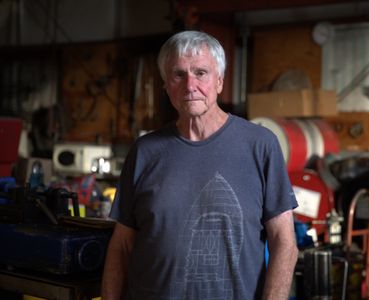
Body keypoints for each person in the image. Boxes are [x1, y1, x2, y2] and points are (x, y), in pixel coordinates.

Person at [101, 30, 299, 300]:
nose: (189, 85)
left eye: (201, 73)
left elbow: (284, 243)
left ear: (220, 81)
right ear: (165, 85)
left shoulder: (260, 145)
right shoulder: (144, 152)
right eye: (178, 74)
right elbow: (121, 246)